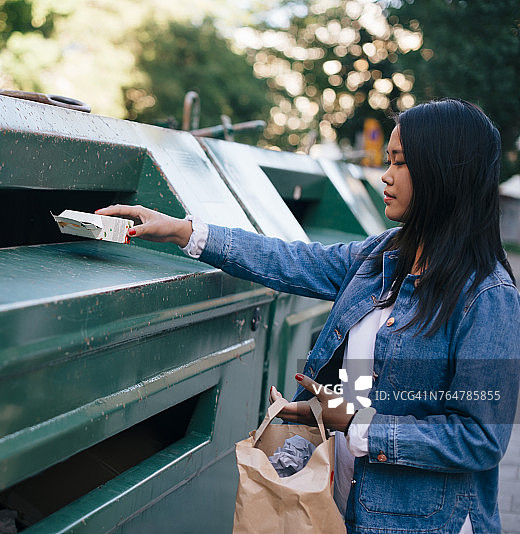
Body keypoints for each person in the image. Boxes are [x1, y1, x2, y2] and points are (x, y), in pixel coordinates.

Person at [98, 98, 520, 534]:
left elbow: (480, 439)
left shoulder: (488, 297)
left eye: (401, 162)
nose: (386, 175)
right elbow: (292, 260)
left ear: (443, 173)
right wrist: (184, 231)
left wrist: (355, 422)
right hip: (343, 504)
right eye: (389, 159)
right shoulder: (384, 256)